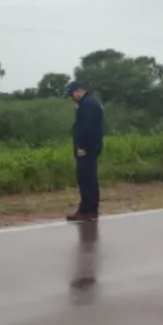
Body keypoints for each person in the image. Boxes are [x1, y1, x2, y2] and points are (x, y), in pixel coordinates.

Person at [65, 81, 104, 222]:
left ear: (78, 91)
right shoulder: (91, 102)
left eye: (72, 94)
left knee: (86, 179)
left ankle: (86, 210)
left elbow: (87, 128)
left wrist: (82, 147)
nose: (71, 97)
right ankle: (91, 209)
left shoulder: (87, 104)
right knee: (90, 179)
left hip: (87, 148)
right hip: (92, 147)